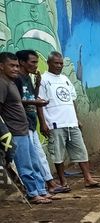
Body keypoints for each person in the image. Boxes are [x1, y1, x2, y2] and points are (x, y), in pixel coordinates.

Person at [38, 51, 100, 188]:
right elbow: (39, 103)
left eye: (61, 63)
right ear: (49, 63)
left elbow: (72, 100)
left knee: (81, 151)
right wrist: (43, 123)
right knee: (58, 155)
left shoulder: (65, 79)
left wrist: (77, 119)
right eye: (56, 63)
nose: (59, 66)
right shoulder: (43, 79)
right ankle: (63, 182)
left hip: (71, 123)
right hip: (55, 123)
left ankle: (88, 178)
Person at [0, 52, 53, 204]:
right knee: (25, 165)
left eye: (17, 66)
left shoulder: (11, 82)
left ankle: (41, 190)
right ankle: (33, 193)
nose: (16, 69)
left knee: (34, 162)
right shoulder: (2, 83)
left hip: (25, 129)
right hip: (15, 132)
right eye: (12, 65)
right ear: (1, 66)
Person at [14, 50, 67, 194]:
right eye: (33, 62)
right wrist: (36, 102)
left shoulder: (28, 78)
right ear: (22, 62)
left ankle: (45, 186)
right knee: (32, 158)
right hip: (22, 124)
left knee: (38, 156)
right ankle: (43, 187)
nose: (36, 65)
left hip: (31, 122)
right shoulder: (17, 79)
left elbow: (32, 96)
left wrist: (37, 86)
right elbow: (16, 101)